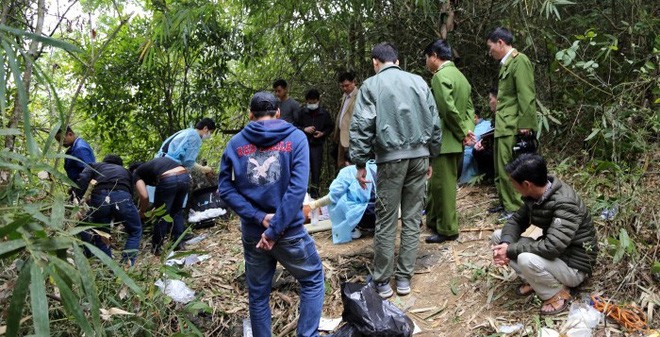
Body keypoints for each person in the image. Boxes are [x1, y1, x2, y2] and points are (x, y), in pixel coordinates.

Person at [218, 92, 324, 337]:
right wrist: (275, 229)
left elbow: (225, 188)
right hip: (289, 232)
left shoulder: (235, 144)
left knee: (258, 296)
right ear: (278, 113)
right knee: (313, 280)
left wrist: (258, 217)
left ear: (250, 115)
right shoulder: (296, 138)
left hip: (255, 234)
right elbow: (297, 190)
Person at [350, 42, 442, 298]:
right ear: (398, 61)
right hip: (420, 157)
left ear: (375, 62)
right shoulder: (419, 82)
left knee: (387, 219)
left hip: (390, 159)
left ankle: (382, 281)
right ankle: (404, 280)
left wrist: (360, 163)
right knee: (412, 218)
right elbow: (434, 122)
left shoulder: (371, 85)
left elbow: (361, 126)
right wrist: (431, 156)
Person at [491, 154, 598, 315]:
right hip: (556, 251)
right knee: (498, 237)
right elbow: (516, 221)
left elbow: (551, 247)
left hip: (574, 265)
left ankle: (557, 292)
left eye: (513, 183)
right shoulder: (536, 194)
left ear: (527, 184)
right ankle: (535, 281)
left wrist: (511, 250)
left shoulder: (565, 203)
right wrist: (506, 244)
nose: (512, 186)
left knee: (525, 258)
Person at [423, 39, 475, 244]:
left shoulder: (440, 77)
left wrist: (463, 132)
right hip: (457, 140)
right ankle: (435, 221)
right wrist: (467, 131)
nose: (427, 62)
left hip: (445, 140)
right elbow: (469, 109)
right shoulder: (461, 77)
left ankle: (448, 229)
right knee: (439, 184)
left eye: (427, 58)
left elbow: (447, 109)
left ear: (435, 56)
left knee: (443, 187)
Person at [487, 27, 539, 218]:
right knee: (501, 167)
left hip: (512, 125)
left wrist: (525, 124)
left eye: (490, 46)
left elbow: (526, 95)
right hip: (503, 124)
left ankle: (515, 208)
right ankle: (505, 202)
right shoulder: (506, 64)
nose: (490, 51)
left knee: (512, 168)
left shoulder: (520, 61)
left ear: (500, 42)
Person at [77, 154, 142, 264]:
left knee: (102, 233)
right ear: (119, 164)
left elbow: (83, 178)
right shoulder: (126, 171)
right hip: (123, 197)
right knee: (135, 230)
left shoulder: (94, 165)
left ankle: (108, 268)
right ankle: (128, 263)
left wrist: (79, 198)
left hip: (99, 197)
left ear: (104, 161)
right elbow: (131, 192)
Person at [305, 160, 377, 244]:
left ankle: (352, 228)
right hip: (386, 214)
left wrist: (316, 204)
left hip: (368, 215)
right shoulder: (375, 165)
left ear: (347, 163)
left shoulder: (348, 171)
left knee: (340, 199)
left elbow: (333, 196)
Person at [133, 156, 191, 256]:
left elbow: (144, 196)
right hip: (185, 176)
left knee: (162, 214)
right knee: (177, 211)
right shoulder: (153, 166)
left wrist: (142, 212)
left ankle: (157, 247)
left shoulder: (136, 173)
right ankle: (179, 243)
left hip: (168, 178)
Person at [295, 89, 334, 198]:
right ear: (306, 101)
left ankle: (314, 192)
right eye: (310, 102)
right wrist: (304, 129)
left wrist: (323, 133)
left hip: (317, 144)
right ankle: (302, 192)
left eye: (314, 102)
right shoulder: (302, 113)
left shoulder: (324, 113)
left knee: (316, 169)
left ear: (318, 101)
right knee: (302, 168)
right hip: (303, 145)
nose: (312, 104)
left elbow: (330, 126)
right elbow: (295, 126)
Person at [56, 126, 96, 193]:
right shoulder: (74, 147)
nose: (60, 143)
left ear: (70, 134)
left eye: (61, 139)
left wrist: (78, 190)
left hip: (84, 190)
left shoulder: (80, 148)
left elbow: (88, 172)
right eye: (58, 141)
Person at [332, 72, 359, 168]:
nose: (344, 88)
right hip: (341, 137)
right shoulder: (344, 96)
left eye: (347, 85)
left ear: (354, 82)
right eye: (342, 86)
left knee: (351, 166)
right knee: (342, 165)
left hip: (352, 138)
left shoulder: (359, 96)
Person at [459, 110, 493, 184]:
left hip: (476, 153)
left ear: (475, 117)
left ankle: (464, 181)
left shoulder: (484, 125)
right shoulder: (480, 125)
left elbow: (473, 140)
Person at [473, 87, 498, 182]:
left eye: (490, 99)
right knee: (477, 151)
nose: (489, 103)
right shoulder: (494, 117)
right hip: (493, 147)